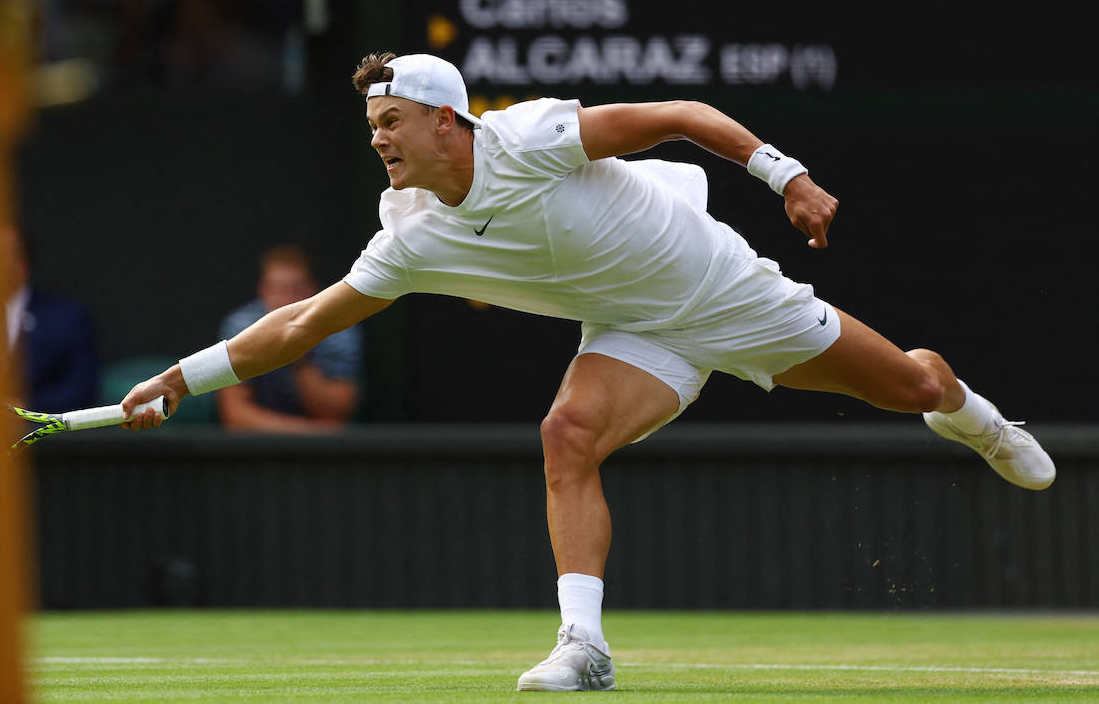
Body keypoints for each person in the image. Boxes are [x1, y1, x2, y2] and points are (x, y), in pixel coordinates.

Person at [120, 52, 1055, 692]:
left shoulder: (528, 137)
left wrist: (787, 175)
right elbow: (300, 324)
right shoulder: (408, 232)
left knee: (914, 389)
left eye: (393, 121)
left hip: (726, 290)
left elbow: (681, 116)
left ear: (449, 122)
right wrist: (179, 378)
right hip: (634, 333)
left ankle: (973, 414)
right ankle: (584, 643)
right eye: (372, 125)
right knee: (566, 436)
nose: (379, 139)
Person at [215, 244, 363, 432]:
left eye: (295, 288)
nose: (286, 298)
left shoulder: (340, 328)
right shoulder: (239, 327)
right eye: (278, 288)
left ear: (312, 290)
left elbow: (337, 412)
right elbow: (234, 416)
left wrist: (299, 355)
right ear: (263, 290)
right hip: (259, 446)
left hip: (323, 453)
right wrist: (305, 433)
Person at [0, 225, 100, 414]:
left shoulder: (66, 317)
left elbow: (80, 390)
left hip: (41, 435)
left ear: (22, 263)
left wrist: (24, 409)